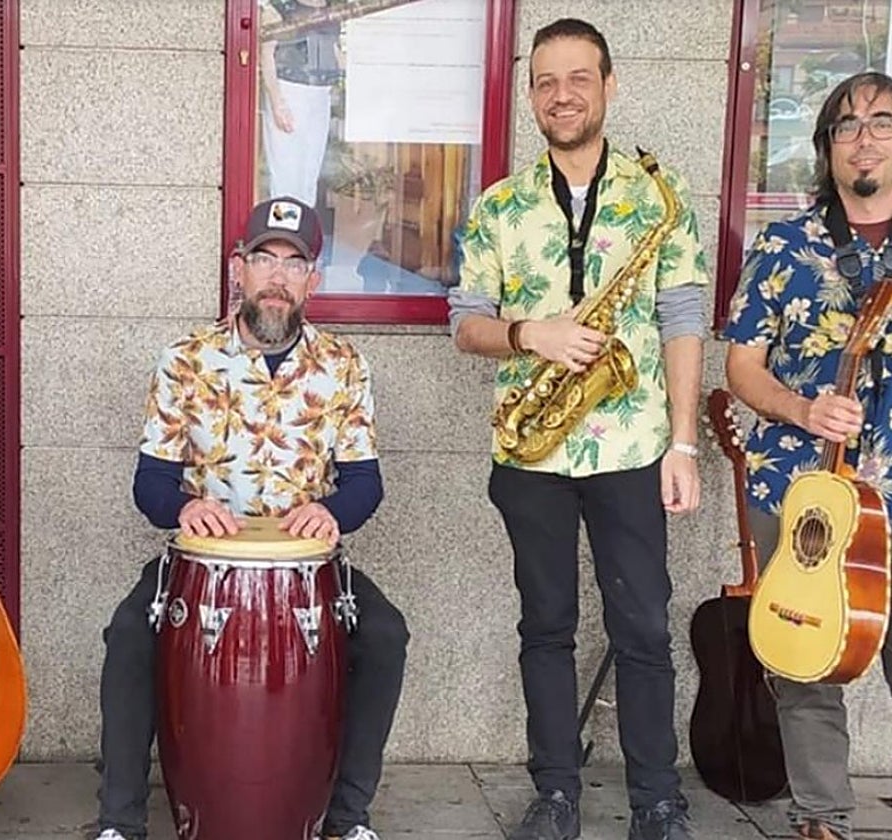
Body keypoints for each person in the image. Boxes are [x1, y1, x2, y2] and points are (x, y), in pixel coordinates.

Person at [448, 18, 708, 840]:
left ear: (609, 85)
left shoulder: (659, 199)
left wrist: (686, 443)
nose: (562, 94)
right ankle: (555, 793)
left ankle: (656, 802)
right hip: (532, 451)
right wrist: (534, 333)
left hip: (632, 446)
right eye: (545, 81)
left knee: (644, 626)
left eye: (578, 78)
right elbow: (465, 324)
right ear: (530, 94)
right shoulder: (498, 206)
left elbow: (682, 317)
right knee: (545, 624)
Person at [93, 195, 408, 840]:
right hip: (202, 560)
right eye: (265, 258)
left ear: (313, 281)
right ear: (238, 268)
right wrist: (186, 506)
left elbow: (365, 484)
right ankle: (120, 823)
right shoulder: (185, 361)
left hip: (309, 567)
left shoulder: (343, 366)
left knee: (386, 636)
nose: (277, 277)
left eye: (295, 265)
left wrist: (330, 512)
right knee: (128, 634)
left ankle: (346, 818)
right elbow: (149, 482)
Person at [724, 70, 892, 840]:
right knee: (804, 653)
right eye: (846, 125)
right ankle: (821, 817)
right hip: (796, 485)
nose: (864, 137)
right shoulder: (784, 245)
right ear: (826, 149)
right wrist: (801, 408)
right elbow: (742, 365)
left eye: (882, 122)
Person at [259, 0, 342, 206]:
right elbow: (266, 54)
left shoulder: (334, 7)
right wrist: (277, 101)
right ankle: (284, 229)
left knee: (309, 169)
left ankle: (301, 228)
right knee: (286, 167)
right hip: (290, 88)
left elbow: (336, 51)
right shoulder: (279, 8)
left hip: (322, 92)